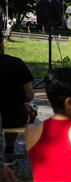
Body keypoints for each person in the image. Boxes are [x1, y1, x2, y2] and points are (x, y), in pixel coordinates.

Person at [0, 30, 34, 166]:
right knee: (21, 109)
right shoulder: (16, 63)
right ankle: (9, 151)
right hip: (13, 117)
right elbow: (30, 95)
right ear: (1, 45)